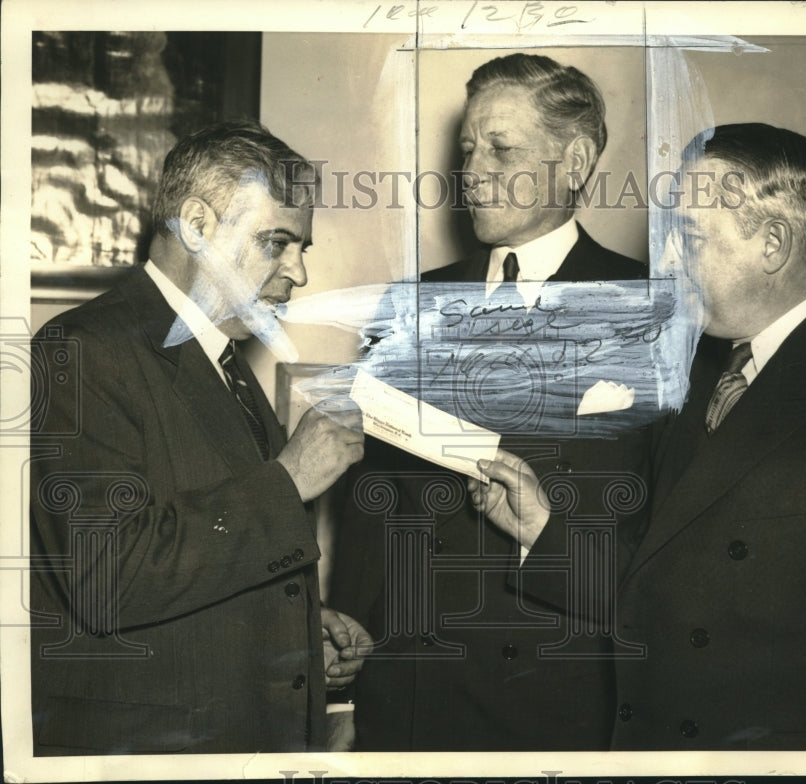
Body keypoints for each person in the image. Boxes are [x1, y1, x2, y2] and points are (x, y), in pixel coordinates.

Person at [473, 123, 806, 750]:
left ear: (772, 244)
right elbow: (667, 588)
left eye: (688, 237)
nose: (668, 261)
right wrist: (542, 528)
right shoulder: (698, 377)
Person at [331, 53, 649, 751]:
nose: (471, 172)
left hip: (552, 701)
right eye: (468, 149)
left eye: (501, 149)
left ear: (576, 160)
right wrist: (347, 624)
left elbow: (667, 543)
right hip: (407, 699)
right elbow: (370, 493)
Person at [30, 120, 370, 755]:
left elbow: (196, 551)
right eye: (277, 242)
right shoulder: (80, 349)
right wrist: (290, 477)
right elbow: (110, 578)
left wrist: (291, 626)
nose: (298, 271)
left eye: (302, 248)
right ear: (197, 224)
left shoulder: (221, 361)